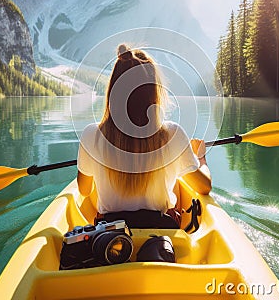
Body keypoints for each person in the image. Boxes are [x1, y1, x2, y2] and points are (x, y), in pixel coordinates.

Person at [77, 44, 211, 227]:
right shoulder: (173, 134)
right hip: (161, 234)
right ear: (154, 91)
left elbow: (84, 191)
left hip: (111, 237)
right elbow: (204, 187)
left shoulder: (91, 135)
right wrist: (200, 159)